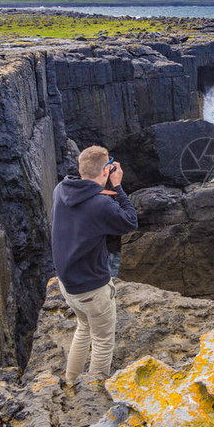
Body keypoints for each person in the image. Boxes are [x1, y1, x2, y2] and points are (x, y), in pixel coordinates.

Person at [51, 145, 138, 385]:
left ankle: (71, 382)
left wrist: (102, 186)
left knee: (84, 329)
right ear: (105, 171)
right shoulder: (100, 205)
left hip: (67, 285)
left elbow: (85, 209)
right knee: (102, 341)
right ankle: (94, 395)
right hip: (92, 290)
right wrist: (117, 186)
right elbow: (130, 221)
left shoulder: (61, 190)